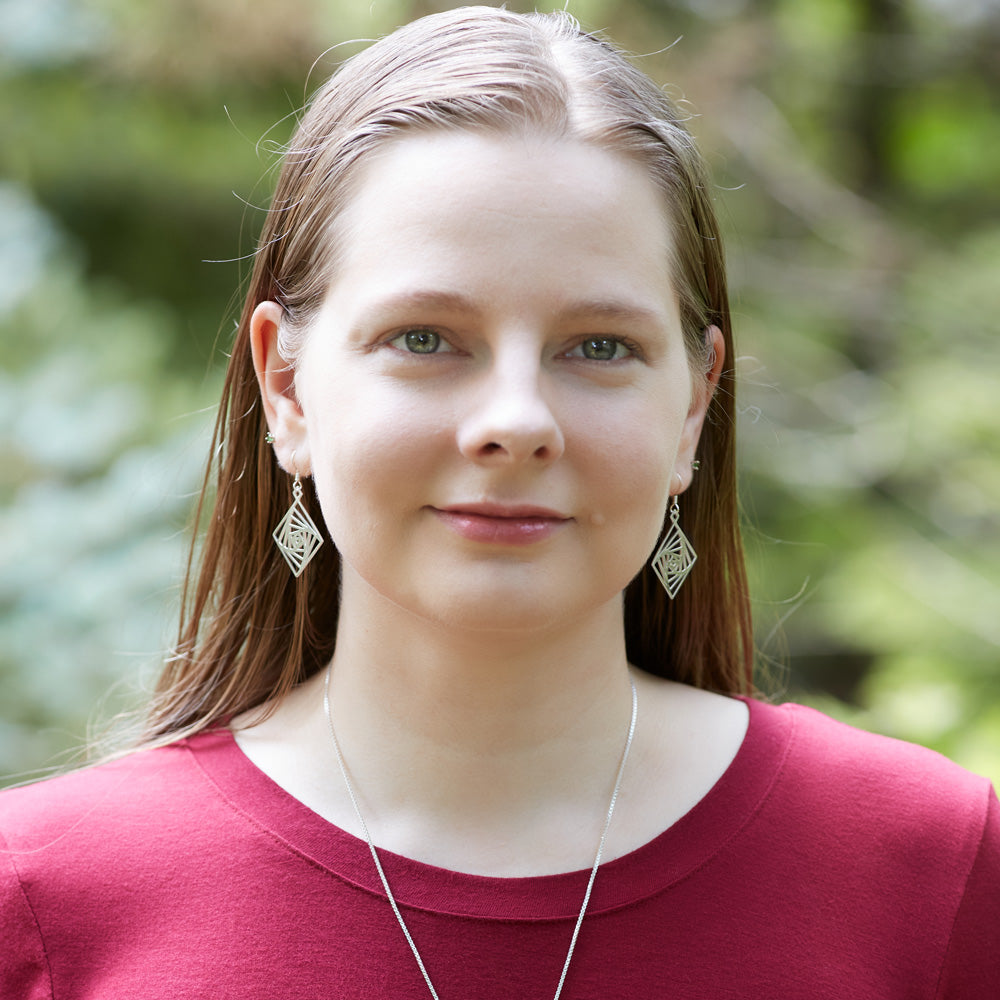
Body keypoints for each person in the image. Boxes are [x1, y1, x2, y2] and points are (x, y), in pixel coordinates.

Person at [1, 7, 997, 997]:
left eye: (598, 347)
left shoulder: (932, 868)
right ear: (288, 388)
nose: (516, 421)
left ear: (693, 405)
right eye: (426, 338)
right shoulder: (47, 901)